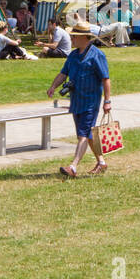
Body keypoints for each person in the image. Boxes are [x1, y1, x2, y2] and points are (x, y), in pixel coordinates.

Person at [47, 23, 112, 178]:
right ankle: (101, 163)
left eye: (74, 36)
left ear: (84, 37)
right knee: (85, 134)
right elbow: (64, 73)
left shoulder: (97, 55)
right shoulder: (73, 55)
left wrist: (107, 101)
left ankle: (73, 167)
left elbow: (105, 79)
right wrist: (53, 86)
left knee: (83, 133)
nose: (72, 38)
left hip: (91, 101)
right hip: (76, 100)